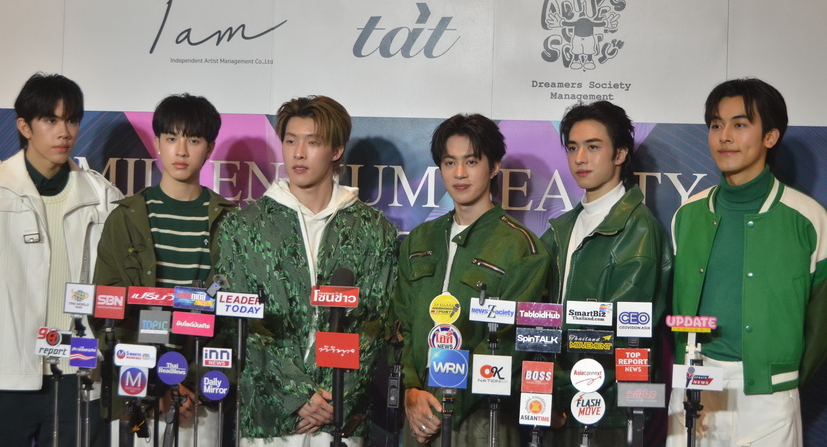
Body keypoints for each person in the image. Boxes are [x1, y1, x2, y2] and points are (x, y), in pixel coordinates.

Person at [0, 73, 123, 447]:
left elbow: (112, 292)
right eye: (50, 120)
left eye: (71, 120)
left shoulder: (104, 196)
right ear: (25, 126)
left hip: (77, 375)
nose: (64, 132)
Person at [217, 95, 398, 446]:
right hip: (267, 421)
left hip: (340, 421)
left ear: (336, 150)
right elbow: (239, 323)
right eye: (290, 141)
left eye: (312, 142)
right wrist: (297, 394)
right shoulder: (243, 228)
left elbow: (374, 324)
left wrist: (333, 399)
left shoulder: (373, 230)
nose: (298, 153)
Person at [667, 78, 827, 446]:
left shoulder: (808, 218)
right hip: (694, 385)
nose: (724, 137)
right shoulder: (687, 215)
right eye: (716, 125)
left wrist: (780, 376)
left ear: (770, 136)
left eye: (739, 124)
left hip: (770, 398)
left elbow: (821, 326)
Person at [393, 114, 551, 446]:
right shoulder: (418, 239)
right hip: (419, 413)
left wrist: (446, 406)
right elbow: (401, 322)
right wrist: (410, 389)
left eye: (471, 161)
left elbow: (511, 340)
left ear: (494, 167)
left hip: (483, 417)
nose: (460, 173)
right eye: (450, 162)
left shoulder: (522, 246)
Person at [92, 93, 234, 441]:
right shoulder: (125, 218)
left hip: (201, 397)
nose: (181, 151)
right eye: (171, 138)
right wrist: (155, 384)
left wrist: (192, 385)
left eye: (193, 140)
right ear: (156, 143)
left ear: (210, 148)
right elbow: (106, 310)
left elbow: (233, 322)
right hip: (138, 394)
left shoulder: (232, 223)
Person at [541, 101, 672, 447]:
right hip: (556, 406)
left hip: (608, 409)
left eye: (593, 146)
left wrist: (558, 391)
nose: (580, 158)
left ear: (620, 154)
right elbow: (536, 320)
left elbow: (622, 336)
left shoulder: (639, 230)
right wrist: (544, 392)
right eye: (573, 147)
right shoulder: (560, 229)